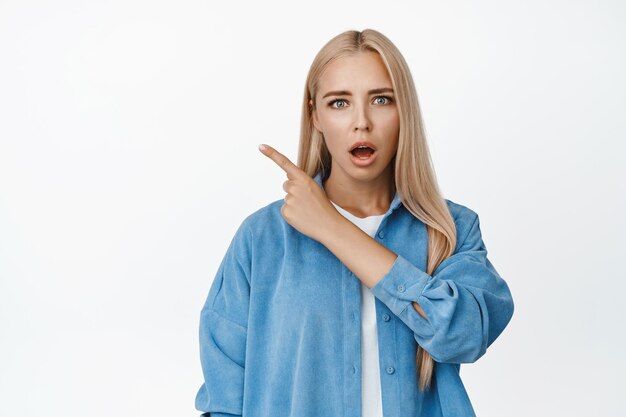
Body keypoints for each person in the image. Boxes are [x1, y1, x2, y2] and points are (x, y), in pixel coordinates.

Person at [194, 28, 514, 417]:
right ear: (315, 115)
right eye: (339, 102)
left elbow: (463, 335)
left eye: (381, 99)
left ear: (404, 111)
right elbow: (225, 397)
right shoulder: (260, 239)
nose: (362, 122)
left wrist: (332, 228)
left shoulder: (451, 230)